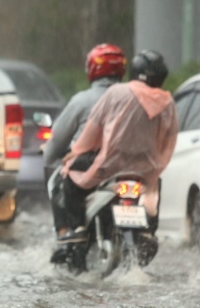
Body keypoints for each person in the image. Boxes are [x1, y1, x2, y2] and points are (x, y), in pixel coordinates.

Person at [51, 49, 178, 261]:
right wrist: (155, 168)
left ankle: (78, 228)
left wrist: (76, 152)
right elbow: (168, 142)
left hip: (108, 166)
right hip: (144, 171)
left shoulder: (117, 93)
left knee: (68, 177)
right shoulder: (168, 102)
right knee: (155, 190)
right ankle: (148, 231)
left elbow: (93, 130)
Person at [45, 43, 126, 237]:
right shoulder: (133, 97)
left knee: (59, 183)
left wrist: (50, 155)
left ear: (92, 68)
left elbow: (58, 139)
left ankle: (69, 234)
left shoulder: (82, 100)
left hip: (91, 164)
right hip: (130, 164)